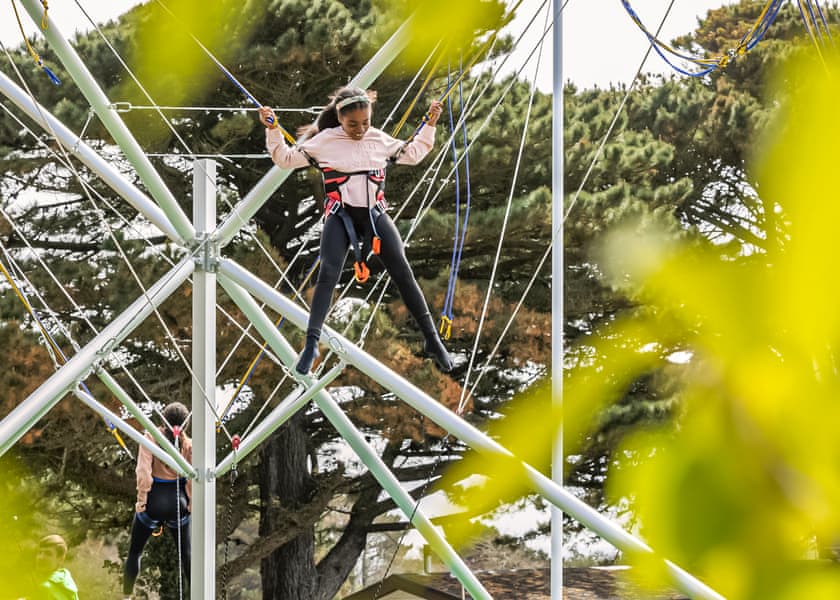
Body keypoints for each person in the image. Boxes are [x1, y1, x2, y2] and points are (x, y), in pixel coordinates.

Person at [259, 86, 454, 375]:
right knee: (329, 272)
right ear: (339, 118)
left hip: (374, 216)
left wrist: (430, 125)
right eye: (353, 124)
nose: (361, 129)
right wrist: (273, 129)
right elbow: (285, 159)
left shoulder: (378, 139)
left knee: (402, 271)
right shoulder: (324, 141)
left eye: (366, 122)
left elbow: (412, 154)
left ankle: (432, 340)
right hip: (341, 216)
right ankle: (311, 343)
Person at [123, 402, 192, 597]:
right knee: (187, 555)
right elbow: (192, 480)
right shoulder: (190, 445)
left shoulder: (150, 437)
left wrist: (142, 501)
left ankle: (126, 596)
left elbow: (144, 474)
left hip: (154, 500)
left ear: (163, 421)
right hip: (178, 502)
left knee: (135, 552)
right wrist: (191, 504)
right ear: (186, 425)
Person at [33, 534, 79, 600]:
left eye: (48, 553)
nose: (41, 557)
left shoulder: (45, 588)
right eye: (40, 552)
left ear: (60, 559)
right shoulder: (68, 582)